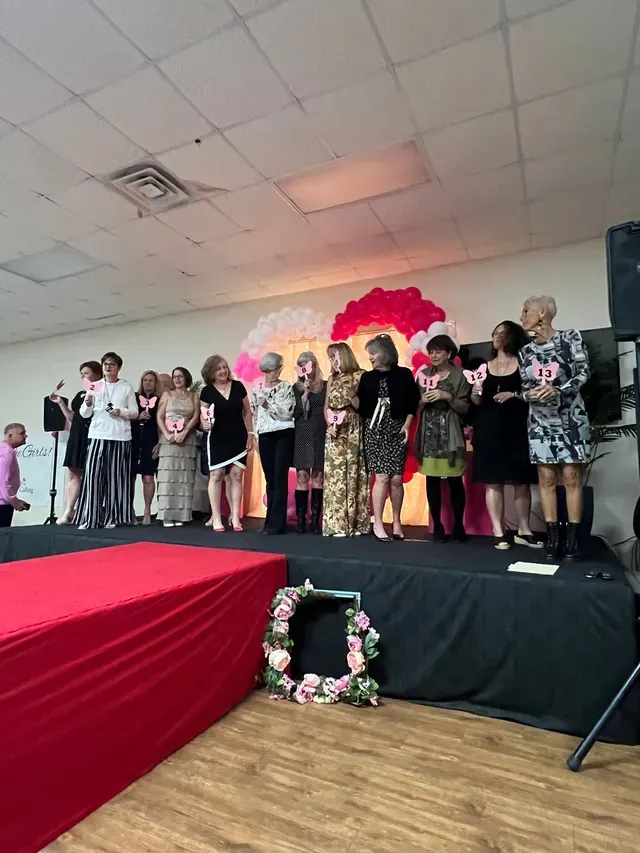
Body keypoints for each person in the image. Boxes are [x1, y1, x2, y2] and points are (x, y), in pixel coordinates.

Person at [519, 296, 590, 561]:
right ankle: (554, 537)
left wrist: (557, 389)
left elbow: (583, 372)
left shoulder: (570, 338)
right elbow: (524, 389)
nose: (522, 315)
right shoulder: (525, 352)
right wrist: (532, 395)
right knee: (546, 479)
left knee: (571, 477)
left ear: (543, 313)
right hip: (539, 421)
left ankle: (572, 539)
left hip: (571, 418)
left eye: (526, 310)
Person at [470, 322, 543, 551]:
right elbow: (476, 402)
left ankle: (524, 530)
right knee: (493, 482)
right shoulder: (483, 366)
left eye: (502, 333)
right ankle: (498, 531)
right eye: (495, 332)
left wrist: (513, 395)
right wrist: (476, 390)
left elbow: (536, 392)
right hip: (488, 428)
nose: (497, 336)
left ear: (512, 337)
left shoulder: (524, 364)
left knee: (521, 481)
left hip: (517, 427)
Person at [353, 335, 419, 542]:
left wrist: (407, 425)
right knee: (381, 477)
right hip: (374, 430)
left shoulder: (404, 374)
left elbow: (412, 403)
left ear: (386, 353)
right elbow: (362, 408)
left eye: (373, 353)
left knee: (397, 478)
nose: (370, 357)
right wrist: (349, 394)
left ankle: (397, 521)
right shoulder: (367, 378)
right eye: (369, 354)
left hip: (397, 429)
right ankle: (379, 523)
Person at [414, 335, 471, 543]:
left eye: (438, 351)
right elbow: (415, 407)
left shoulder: (461, 375)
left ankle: (458, 525)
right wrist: (422, 400)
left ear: (449, 353)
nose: (433, 355)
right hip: (429, 433)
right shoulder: (424, 374)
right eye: (431, 351)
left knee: (456, 480)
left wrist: (446, 396)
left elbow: (465, 407)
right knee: (432, 480)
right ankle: (437, 525)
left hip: (451, 434)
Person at [76, 352, 138, 529]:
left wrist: (121, 412)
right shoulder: (94, 386)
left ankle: (111, 517)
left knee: (115, 479)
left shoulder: (126, 387)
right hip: (97, 435)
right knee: (93, 477)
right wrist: (88, 402)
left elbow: (134, 413)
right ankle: (90, 518)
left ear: (118, 367)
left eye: (112, 364)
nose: (108, 367)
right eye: (105, 364)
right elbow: (84, 414)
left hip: (120, 437)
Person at [200, 354, 254, 533]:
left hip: (238, 436)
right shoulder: (207, 391)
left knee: (237, 475)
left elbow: (247, 412)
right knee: (216, 475)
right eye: (218, 369)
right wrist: (205, 423)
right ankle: (216, 516)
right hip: (217, 437)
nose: (223, 371)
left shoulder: (238, 387)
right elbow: (203, 414)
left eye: (224, 367)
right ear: (211, 373)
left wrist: (250, 434)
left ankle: (235, 516)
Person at [323, 343, 370, 538]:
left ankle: (357, 523)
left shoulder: (360, 375)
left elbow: (362, 407)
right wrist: (329, 423)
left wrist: (351, 391)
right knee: (335, 476)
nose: (333, 362)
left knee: (353, 472)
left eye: (336, 357)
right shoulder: (330, 379)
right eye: (330, 358)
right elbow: (326, 405)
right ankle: (337, 524)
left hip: (352, 428)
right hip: (335, 431)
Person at [49, 360, 102, 525]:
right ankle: (69, 509)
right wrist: (61, 404)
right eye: (82, 374)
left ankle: (86, 509)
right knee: (73, 472)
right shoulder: (80, 394)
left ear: (97, 374)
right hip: (76, 435)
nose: (83, 376)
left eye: (86, 373)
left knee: (91, 474)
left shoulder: (102, 391)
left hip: (92, 435)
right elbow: (74, 418)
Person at [250, 352, 295, 536]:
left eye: (278, 369)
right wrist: (254, 434)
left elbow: (287, 412)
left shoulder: (286, 387)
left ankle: (278, 523)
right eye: (274, 369)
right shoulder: (257, 388)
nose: (276, 372)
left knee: (279, 477)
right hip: (265, 436)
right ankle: (269, 522)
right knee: (269, 479)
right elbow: (254, 413)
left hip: (283, 435)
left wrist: (268, 405)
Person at [156, 367, 200, 528]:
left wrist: (185, 432)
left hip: (187, 440)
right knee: (168, 478)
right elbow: (159, 417)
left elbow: (195, 417)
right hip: (169, 441)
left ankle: (181, 514)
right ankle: (167, 515)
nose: (177, 379)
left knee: (184, 478)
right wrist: (166, 435)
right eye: (175, 376)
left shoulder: (194, 396)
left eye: (180, 376)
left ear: (186, 378)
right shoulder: (167, 395)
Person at [293, 351, 327, 534]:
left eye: (308, 363)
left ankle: (315, 519)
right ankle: (300, 519)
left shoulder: (325, 386)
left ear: (314, 365)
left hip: (320, 434)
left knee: (318, 477)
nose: (305, 367)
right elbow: (295, 413)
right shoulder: (295, 388)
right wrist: (304, 393)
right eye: (301, 364)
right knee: (302, 477)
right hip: (302, 435)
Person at [131, 370, 161, 525]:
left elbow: (164, 423)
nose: (148, 383)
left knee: (148, 477)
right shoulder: (134, 398)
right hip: (133, 441)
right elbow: (127, 415)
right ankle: (130, 511)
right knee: (130, 477)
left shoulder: (161, 400)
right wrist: (138, 416)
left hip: (151, 441)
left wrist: (160, 443)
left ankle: (148, 511)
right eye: (145, 380)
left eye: (151, 380)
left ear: (156, 383)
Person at [0, 423, 28, 527]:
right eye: (22, 433)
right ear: (10, 435)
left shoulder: (3, 449)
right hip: (2, 506)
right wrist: (14, 501)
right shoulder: (7, 452)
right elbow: (3, 480)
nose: (25, 436)